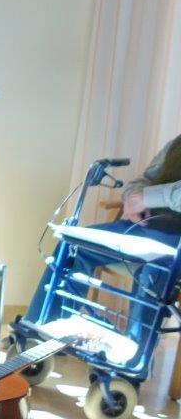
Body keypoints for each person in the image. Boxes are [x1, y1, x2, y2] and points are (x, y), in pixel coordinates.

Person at [24, 134, 181, 343]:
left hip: (175, 241)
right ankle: (40, 331)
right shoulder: (176, 144)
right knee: (73, 246)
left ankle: (136, 352)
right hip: (144, 228)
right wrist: (132, 196)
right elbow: (143, 179)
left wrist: (147, 197)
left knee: (154, 273)